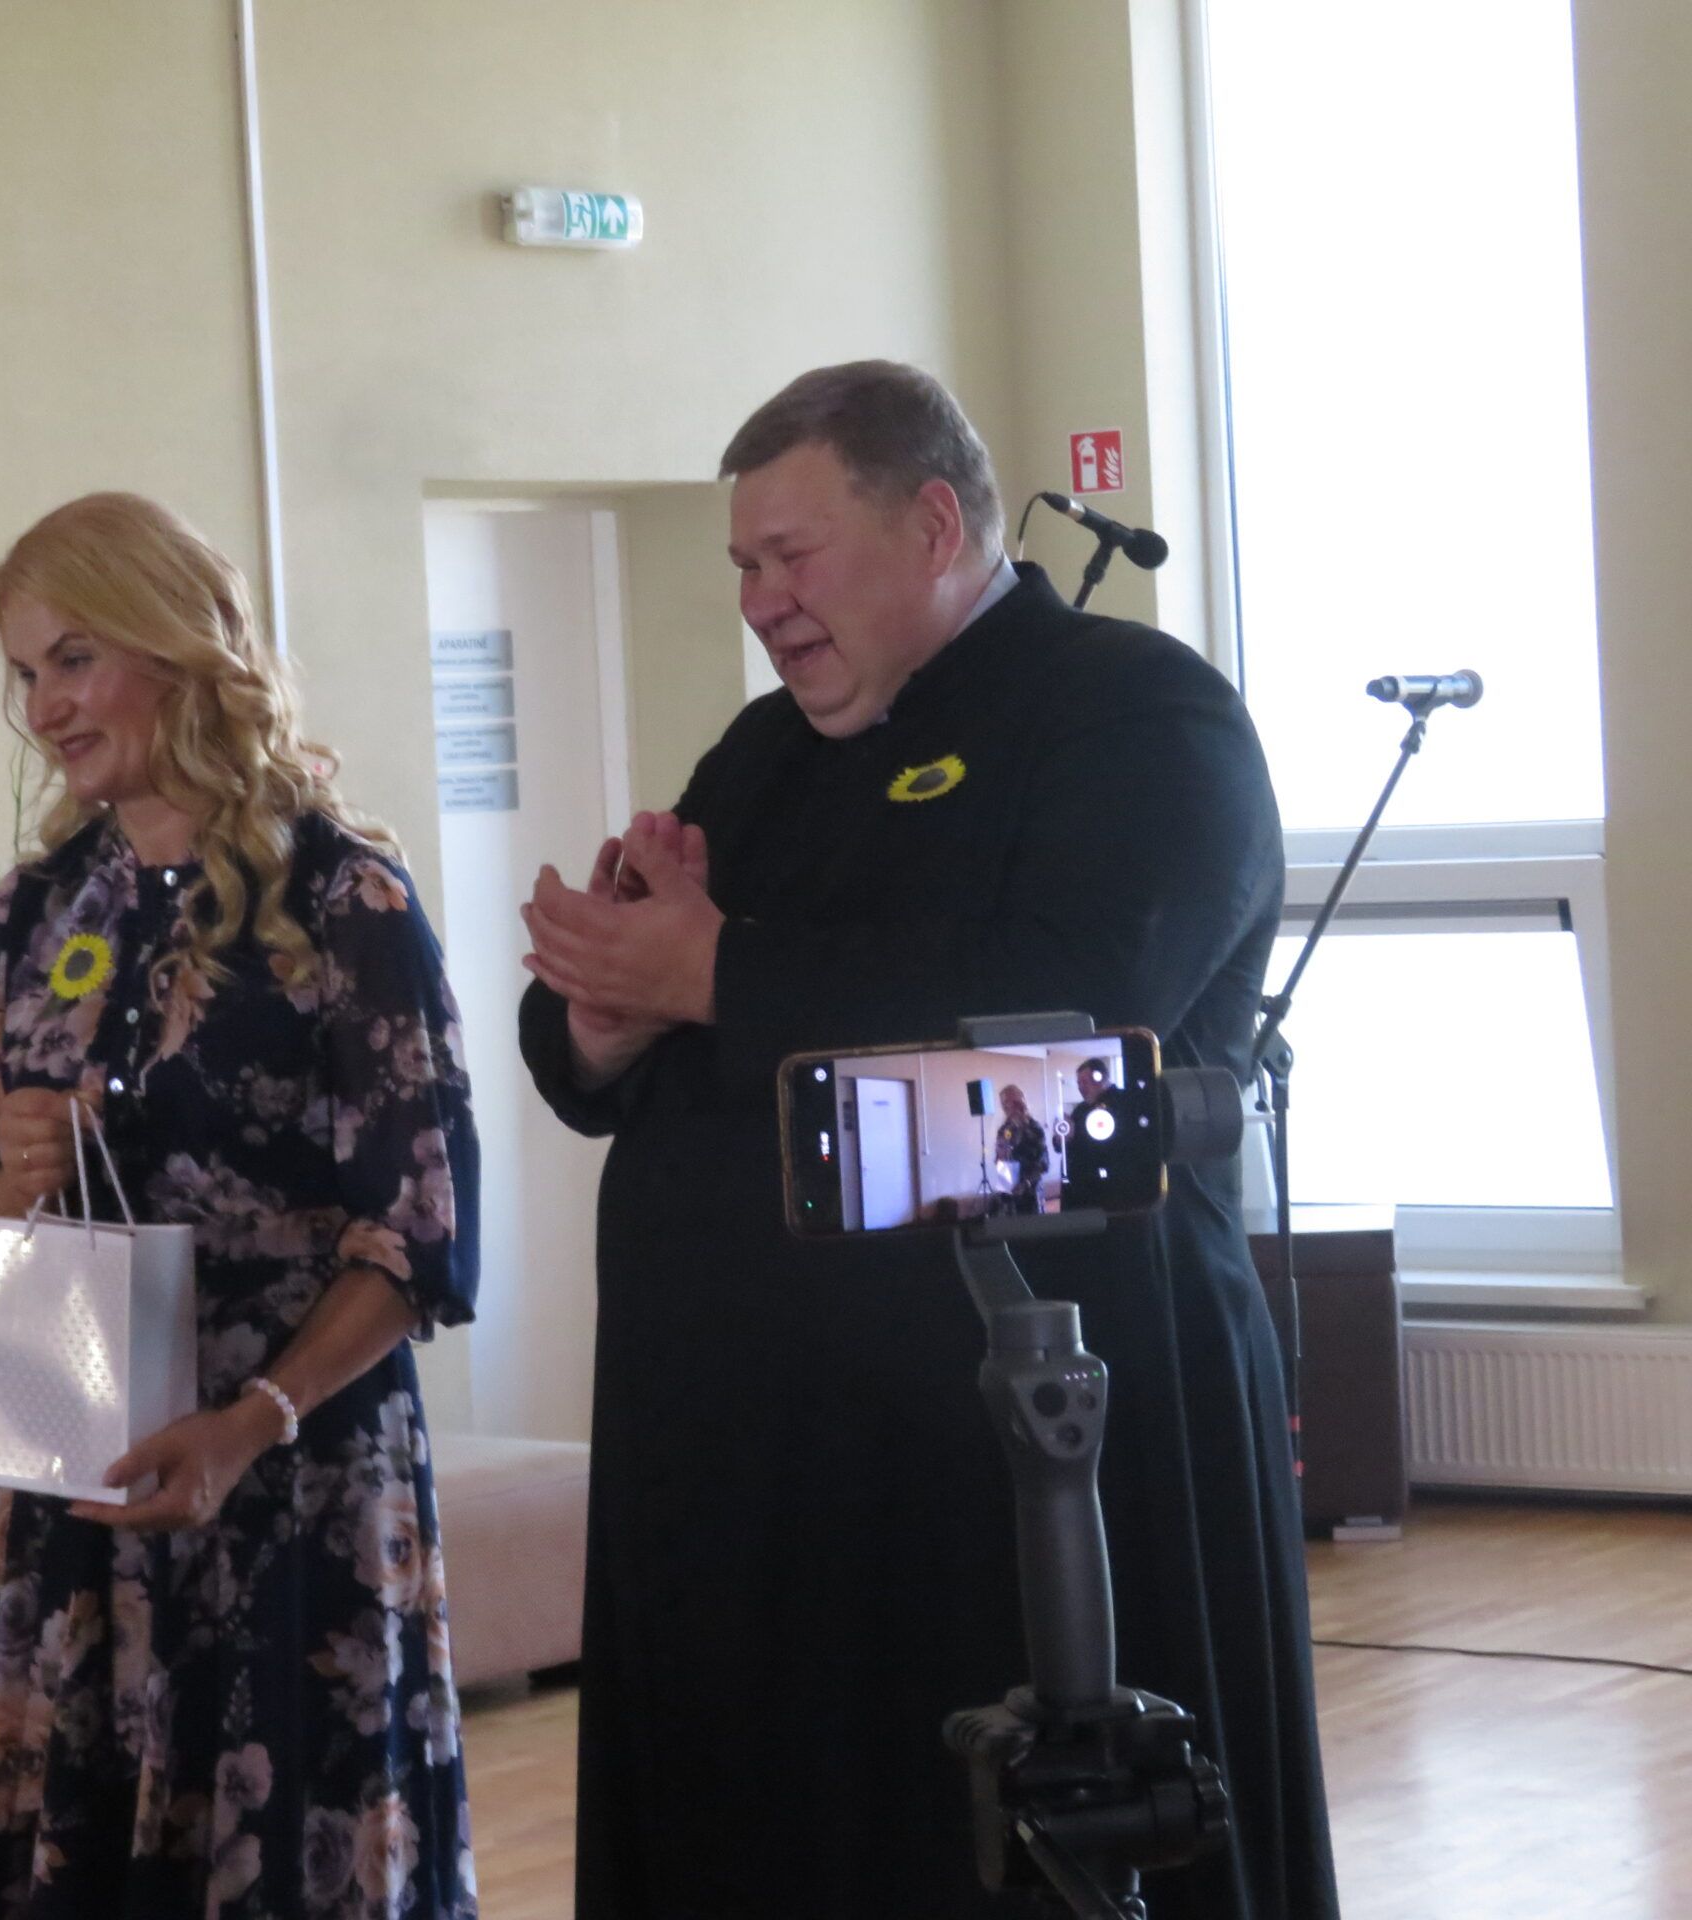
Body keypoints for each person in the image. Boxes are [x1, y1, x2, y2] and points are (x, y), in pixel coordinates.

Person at [516, 362, 1336, 1916]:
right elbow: (602, 1051)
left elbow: (1076, 1006)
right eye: (743, 565)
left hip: (1026, 1441)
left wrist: (715, 974)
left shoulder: (1135, 714)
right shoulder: (765, 759)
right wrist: (603, 1013)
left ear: (938, 525)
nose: (760, 601)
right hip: (755, 1470)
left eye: (791, 555)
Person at [0, 492, 482, 1919]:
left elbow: (415, 1234)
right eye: (27, 672)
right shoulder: (32, 910)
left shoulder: (345, 901)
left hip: (285, 1485)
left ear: (177, 649)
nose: (45, 707)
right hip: (81, 1486)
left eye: (74, 658)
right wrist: (13, 1175)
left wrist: (253, 1424)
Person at [992, 1081, 1048, 1213]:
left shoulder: (1034, 1128)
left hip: (1030, 1194)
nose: (1009, 1107)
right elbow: (1000, 1161)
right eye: (1005, 1104)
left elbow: (1043, 1164)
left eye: (1013, 1102)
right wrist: (1000, 1157)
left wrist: (1025, 1183)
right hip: (1009, 1195)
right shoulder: (1004, 1130)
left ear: (1023, 1102)